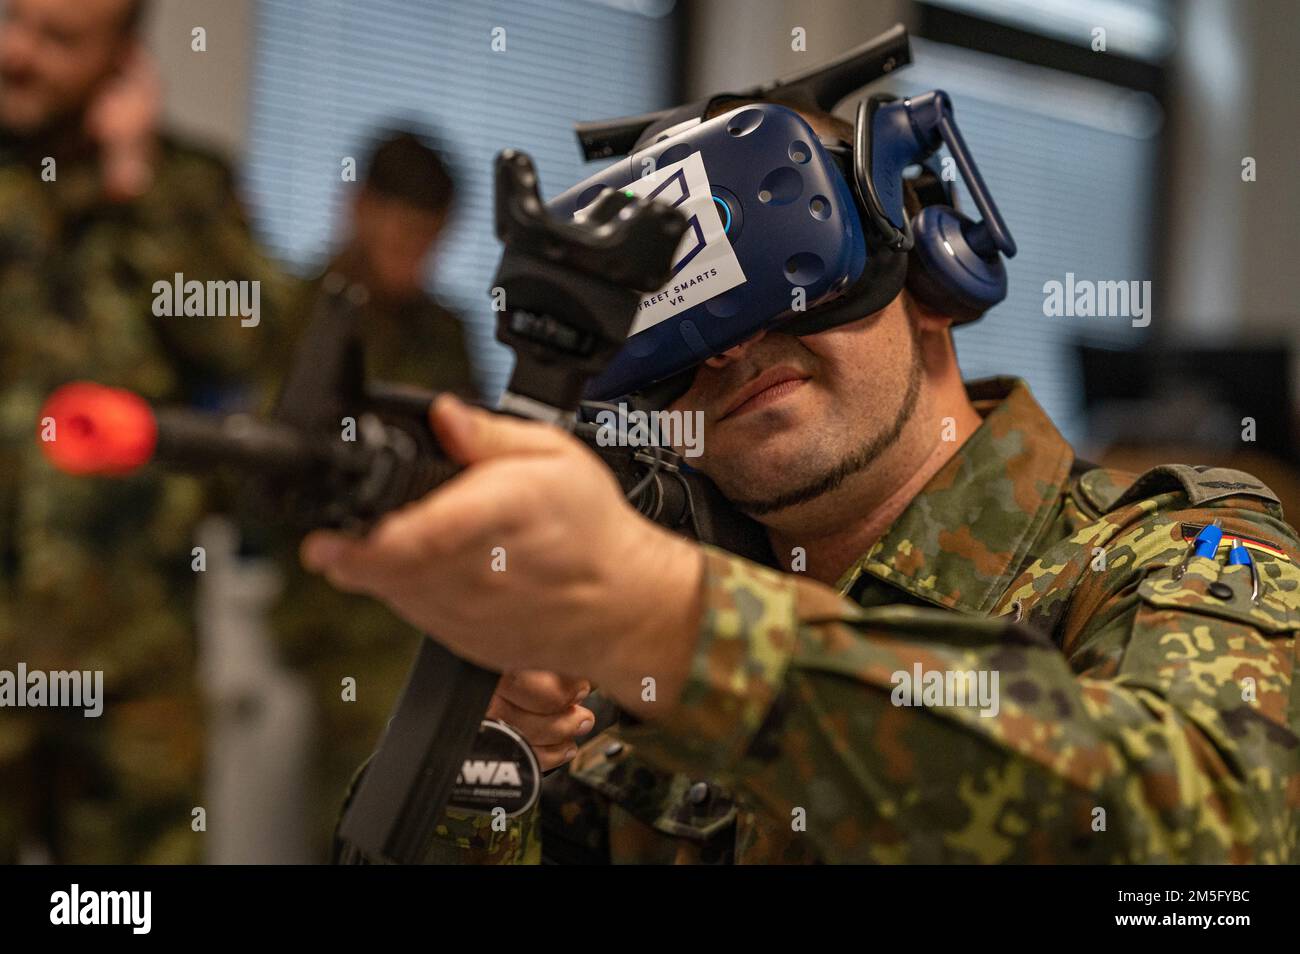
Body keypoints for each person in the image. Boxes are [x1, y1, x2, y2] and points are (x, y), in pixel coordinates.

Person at [302, 93, 1300, 865]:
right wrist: (496, 758)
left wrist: (679, 621)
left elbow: (1212, 846)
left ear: (932, 269)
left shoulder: (1169, 554)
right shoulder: (631, 685)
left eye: (787, 272)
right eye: (675, 335)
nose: (733, 349)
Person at [0, 0, 288, 863]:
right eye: (12, 19)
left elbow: (252, 341)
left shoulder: (186, 185)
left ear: (123, 56)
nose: (19, 53)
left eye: (59, 40)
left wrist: (138, 180)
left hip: (133, 650)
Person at [267, 127, 480, 859]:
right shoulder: (293, 315)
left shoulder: (444, 332)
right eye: (404, 234)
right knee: (369, 777)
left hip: (432, 581)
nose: (415, 259)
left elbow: (468, 458)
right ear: (358, 208)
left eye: (432, 240)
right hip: (333, 601)